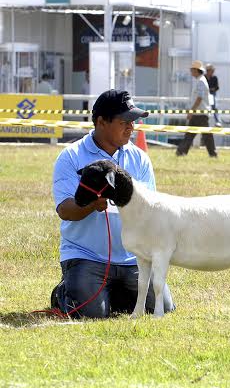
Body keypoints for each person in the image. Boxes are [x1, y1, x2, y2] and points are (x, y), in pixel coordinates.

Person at [50, 89, 174, 318]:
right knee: (88, 315)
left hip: (133, 258)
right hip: (86, 256)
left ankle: (112, 294)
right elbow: (65, 210)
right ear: (101, 122)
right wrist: (91, 205)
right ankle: (63, 293)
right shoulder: (71, 156)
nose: (131, 127)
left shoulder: (140, 158)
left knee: (163, 308)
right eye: (124, 121)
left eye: (133, 121)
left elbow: (152, 212)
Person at [176, 60, 217, 157]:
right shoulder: (200, 80)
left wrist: (191, 111)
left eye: (192, 70)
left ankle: (181, 152)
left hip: (200, 113)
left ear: (196, 70)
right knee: (192, 134)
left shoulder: (201, 81)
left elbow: (199, 98)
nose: (191, 72)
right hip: (198, 113)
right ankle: (181, 152)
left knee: (203, 135)